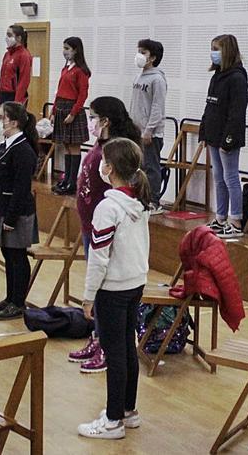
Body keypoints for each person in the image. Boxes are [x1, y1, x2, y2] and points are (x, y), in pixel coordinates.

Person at [78, 137, 152, 440]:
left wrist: (88, 296)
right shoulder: (138, 200)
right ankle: (128, 410)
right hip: (135, 283)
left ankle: (112, 421)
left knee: (115, 353)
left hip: (113, 289)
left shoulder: (108, 208)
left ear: (109, 167)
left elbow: (98, 259)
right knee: (127, 347)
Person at [68, 96, 142, 374]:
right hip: (90, 225)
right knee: (96, 284)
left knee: (102, 287)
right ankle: (98, 337)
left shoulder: (114, 152)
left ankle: (107, 346)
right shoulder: (99, 146)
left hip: (105, 227)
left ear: (105, 121)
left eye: (92, 117)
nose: (89, 122)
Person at [0, 102, 39, 320]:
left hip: (16, 210)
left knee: (17, 255)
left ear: (14, 122)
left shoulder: (23, 150)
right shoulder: (5, 145)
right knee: (8, 253)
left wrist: (11, 217)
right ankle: (9, 298)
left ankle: (18, 302)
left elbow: (21, 188)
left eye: (2, 118)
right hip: (1, 206)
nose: (0, 122)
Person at [199, 34, 248, 239]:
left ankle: (235, 219)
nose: (213, 53)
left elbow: (237, 112)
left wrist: (229, 139)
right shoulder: (217, 75)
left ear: (227, 51)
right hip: (213, 134)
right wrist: (204, 132)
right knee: (218, 177)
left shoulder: (237, 77)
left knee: (230, 177)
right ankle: (220, 217)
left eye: (217, 49)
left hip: (227, 136)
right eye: (212, 48)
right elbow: (210, 106)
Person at [128, 38, 167, 213]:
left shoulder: (157, 79)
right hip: (137, 131)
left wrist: (149, 129)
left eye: (143, 52)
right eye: (139, 51)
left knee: (151, 167)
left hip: (150, 133)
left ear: (152, 57)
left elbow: (157, 107)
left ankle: (154, 201)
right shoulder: (138, 76)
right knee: (139, 167)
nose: (139, 55)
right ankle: (141, 198)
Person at [51, 36, 91, 196]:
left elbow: (82, 95)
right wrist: (54, 111)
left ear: (76, 50)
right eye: (64, 48)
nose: (64, 52)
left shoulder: (81, 71)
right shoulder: (65, 68)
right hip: (61, 106)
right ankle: (66, 179)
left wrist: (73, 113)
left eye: (67, 48)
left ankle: (72, 182)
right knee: (66, 146)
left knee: (74, 146)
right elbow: (58, 90)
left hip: (71, 108)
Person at [0, 25, 32, 109]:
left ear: (19, 38)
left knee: (12, 121)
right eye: (6, 35)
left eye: (9, 35)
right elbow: (2, 78)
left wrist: (17, 102)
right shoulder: (7, 54)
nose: (6, 38)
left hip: (14, 96)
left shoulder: (24, 55)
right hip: (3, 95)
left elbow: (24, 81)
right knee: (3, 121)